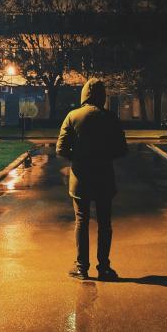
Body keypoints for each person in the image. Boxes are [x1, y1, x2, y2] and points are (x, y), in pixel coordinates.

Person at [56, 78, 128, 281]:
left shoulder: (73, 116)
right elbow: (122, 149)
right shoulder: (111, 118)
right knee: (105, 223)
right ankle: (104, 267)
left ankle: (82, 268)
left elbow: (60, 149)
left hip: (80, 177)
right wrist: (104, 156)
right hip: (104, 176)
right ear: (102, 96)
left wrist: (78, 157)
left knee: (82, 221)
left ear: (84, 94)